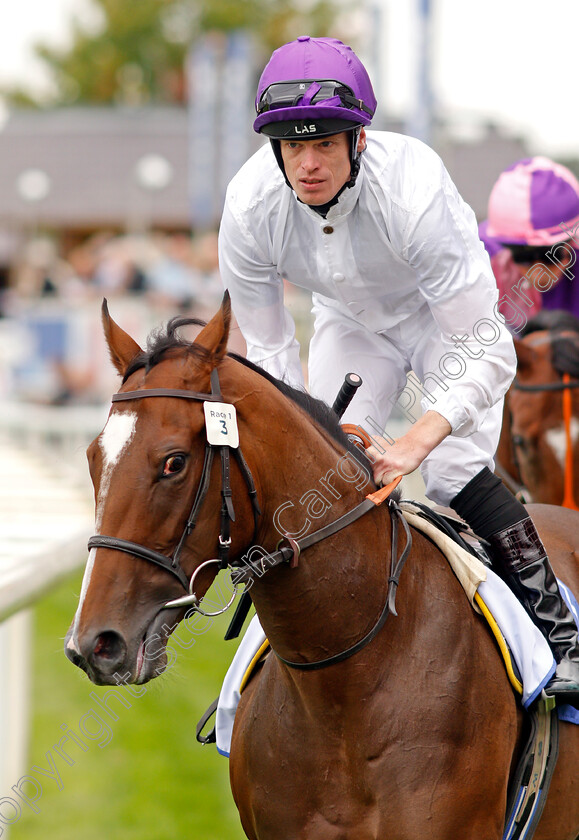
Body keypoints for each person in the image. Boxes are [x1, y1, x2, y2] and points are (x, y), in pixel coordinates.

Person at [218, 35, 579, 702]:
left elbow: (487, 347)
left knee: (444, 471)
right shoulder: (247, 207)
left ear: (359, 140)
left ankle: (561, 636)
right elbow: (268, 358)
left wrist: (417, 437)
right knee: (321, 478)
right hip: (348, 322)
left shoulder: (411, 189)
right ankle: (262, 671)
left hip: (441, 322)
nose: (307, 163)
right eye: (293, 146)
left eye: (324, 141)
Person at [481, 157, 579, 332]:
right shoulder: (481, 255)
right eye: (522, 256)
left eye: (550, 255)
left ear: (573, 241)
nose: (537, 274)